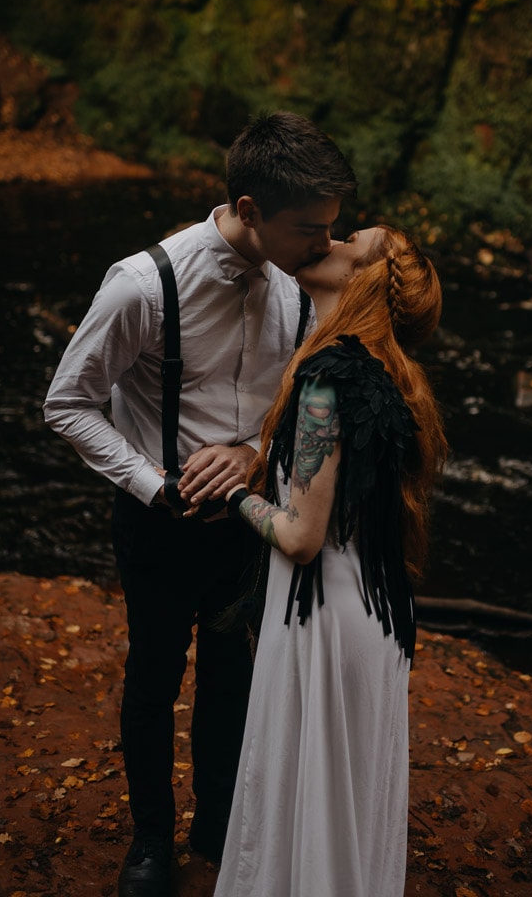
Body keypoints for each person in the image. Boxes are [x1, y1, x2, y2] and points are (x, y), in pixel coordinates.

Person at [42, 111, 357, 897]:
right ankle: (150, 840)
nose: (325, 244)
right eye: (307, 228)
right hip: (158, 522)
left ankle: (217, 826)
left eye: (332, 226)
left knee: (231, 677)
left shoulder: (299, 283)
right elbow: (68, 403)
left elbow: (294, 399)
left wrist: (254, 451)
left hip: (251, 525)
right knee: (152, 679)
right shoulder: (144, 284)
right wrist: (156, 483)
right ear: (249, 210)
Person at [210, 225, 448, 897]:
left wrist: (234, 494)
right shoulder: (390, 380)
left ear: (363, 278)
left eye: (351, 240)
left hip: (321, 620)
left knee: (304, 803)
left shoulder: (325, 379)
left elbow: (299, 537)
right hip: (374, 619)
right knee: (340, 813)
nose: (332, 238)